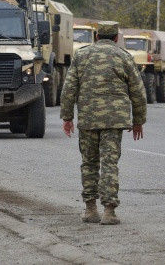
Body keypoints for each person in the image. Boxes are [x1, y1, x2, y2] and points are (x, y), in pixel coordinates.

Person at [60, 20, 147, 225]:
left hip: (88, 119)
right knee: (110, 164)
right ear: (116, 38)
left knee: (89, 163)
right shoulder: (124, 57)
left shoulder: (81, 55)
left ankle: (90, 209)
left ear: (96, 37)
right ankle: (109, 212)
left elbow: (69, 88)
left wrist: (67, 117)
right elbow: (138, 92)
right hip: (114, 121)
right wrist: (138, 121)